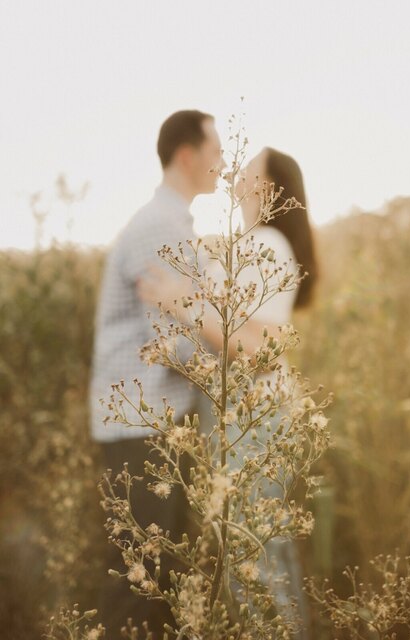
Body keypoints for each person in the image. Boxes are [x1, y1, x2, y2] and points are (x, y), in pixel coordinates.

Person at [139, 146, 318, 637]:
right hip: (240, 416)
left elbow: (258, 346)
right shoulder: (252, 242)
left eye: (250, 169)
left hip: (253, 417)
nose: (237, 173)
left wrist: (181, 303)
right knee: (261, 553)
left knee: (252, 558)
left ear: (269, 187)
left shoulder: (268, 244)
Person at [89, 109, 225, 638]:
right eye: (215, 150)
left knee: (162, 576)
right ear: (187, 155)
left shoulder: (171, 222)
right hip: (139, 425)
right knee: (139, 579)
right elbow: (177, 343)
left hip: (150, 422)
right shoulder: (159, 226)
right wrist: (238, 365)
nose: (222, 161)